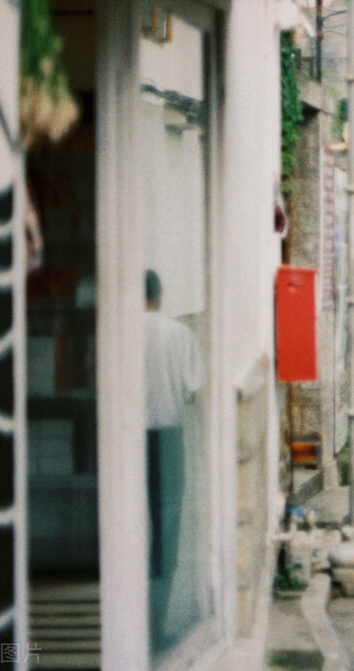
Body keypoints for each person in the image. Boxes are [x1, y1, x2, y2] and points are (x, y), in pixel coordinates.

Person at [144, 269, 202, 649]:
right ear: (159, 294)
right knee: (165, 534)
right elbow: (194, 390)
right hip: (167, 439)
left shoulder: (114, 332)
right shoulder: (178, 334)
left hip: (126, 442)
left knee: (129, 530)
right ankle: (155, 627)